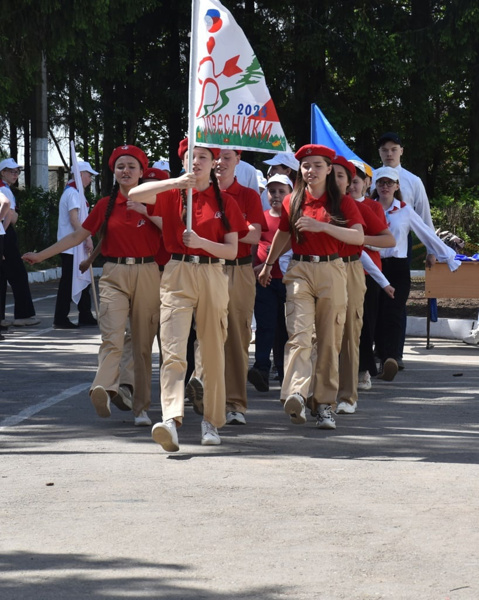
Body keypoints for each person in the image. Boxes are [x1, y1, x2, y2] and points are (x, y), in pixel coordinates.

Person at [23, 145, 194, 426]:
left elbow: (175, 232)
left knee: (141, 345)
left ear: (141, 172)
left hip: (149, 272)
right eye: (120, 167)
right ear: (113, 172)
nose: (125, 171)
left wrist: (146, 209)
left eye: (131, 167)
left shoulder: (158, 199)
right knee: (112, 335)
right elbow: (80, 234)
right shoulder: (105, 204)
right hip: (113, 273)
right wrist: (41, 255)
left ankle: (140, 408)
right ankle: (103, 388)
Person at [129, 139, 248, 452]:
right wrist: (174, 182)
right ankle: (171, 419)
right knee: (172, 348)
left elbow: (233, 250)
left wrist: (201, 243)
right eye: (190, 157)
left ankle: (211, 420)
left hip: (212, 272)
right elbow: (133, 194)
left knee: (211, 350)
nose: (196, 162)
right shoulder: (171, 193)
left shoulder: (225, 202)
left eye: (203, 157)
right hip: (177, 271)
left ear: (213, 164)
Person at [258, 144, 365, 431]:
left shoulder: (342, 202)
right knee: (300, 334)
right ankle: (295, 393)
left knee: (329, 342)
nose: (311, 170)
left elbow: (357, 237)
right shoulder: (293, 199)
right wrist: (268, 265)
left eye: (317, 165)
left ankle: (325, 406)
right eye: (306, 166)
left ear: (329, 169)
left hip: (332, 269)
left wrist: (324, 227)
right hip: (299, 270)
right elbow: (283, 232)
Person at [372, 166, 460, 381]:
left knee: (393, 312)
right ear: (375, 185)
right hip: (373, 267)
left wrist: (446, 255)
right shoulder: (367, 208)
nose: (385, 187)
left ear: (397, 186)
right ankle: (378, 357)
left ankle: (390, 358)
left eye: (389, 183)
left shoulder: (404, 210)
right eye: (381, 183)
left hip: (398, 267)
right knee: (375, 314)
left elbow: (426, 232)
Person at [332, 156, 395, 414]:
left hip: (360, 271)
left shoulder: (366, 208)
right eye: (332, 174)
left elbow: (384, 241)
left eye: (344, 176)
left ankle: (357, 379)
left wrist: (358, 238)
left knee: (357, 326)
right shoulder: (312, 203)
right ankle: (316, 388)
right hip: (320, 272)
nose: (337, 181)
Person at [215, 148, 265, 425]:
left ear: (237, 161)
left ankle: (235, 402)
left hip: (238, 269)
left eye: (226, 157)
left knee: (237, 336)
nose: (220, 163)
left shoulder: (248, 195)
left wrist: (222, 225)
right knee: (203, 335)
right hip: (204, 269)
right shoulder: (195, 195)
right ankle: (205, 396)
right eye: (216, 157)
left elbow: (255, 235)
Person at [248, 174, 293, 392]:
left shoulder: (293, 220)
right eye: (272, 191)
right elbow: (251, 244)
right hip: (263, 281)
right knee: (265, 326)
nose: (276, 196)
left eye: (281, 191)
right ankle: (261, 369)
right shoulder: (261, 218)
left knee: (285, 328)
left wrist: (267, 262)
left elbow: (292, 244)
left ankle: (285, 371)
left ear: (290, 193)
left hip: (287, 280)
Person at [53, 161, 99, 329]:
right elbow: (74, 219)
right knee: (68, 282)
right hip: (71, 245)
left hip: (74, 245)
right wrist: (86, 237)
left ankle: (84, 313)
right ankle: (60, 317)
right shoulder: (72, 193)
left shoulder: (75, 192)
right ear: (80, 175)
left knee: (83, 279)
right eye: (89, 175)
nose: (90, 179)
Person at [0, 158, 40, 327]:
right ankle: (23, 314)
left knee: (4, 276)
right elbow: (11, 215)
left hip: (4, 233)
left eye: (17, 172)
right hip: (5, 234)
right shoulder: (5, 191)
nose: (15, 175)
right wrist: (2, 232)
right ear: (3, 172)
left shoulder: (5, 188)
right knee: (18, 275)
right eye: (11, 171)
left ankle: (3, 317)